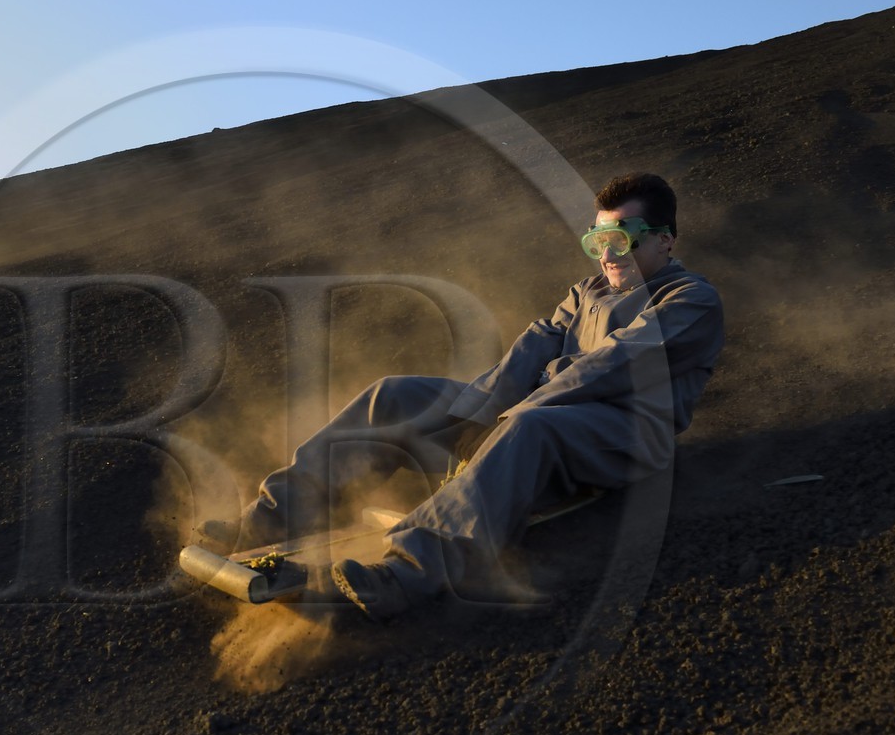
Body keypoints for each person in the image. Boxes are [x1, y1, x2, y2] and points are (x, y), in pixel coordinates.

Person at [229, 172, 726, 622]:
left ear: (664, 240)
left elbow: (614, 365)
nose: (607, 254)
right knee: (397, 395)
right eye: (597, 239)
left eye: (622, 239)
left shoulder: (690, 300)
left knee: (530, 426)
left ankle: (405, 574)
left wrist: (513, 415)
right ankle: (273, 516)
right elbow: (533, 347)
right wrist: (477, 411)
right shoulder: (587, 291)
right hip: (537, 415)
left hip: (621, 437)